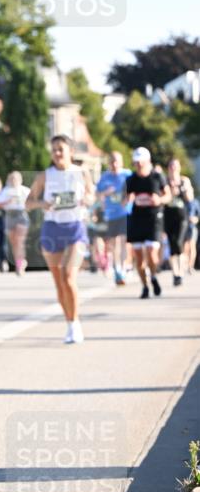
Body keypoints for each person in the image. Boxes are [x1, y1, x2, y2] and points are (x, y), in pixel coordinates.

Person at [26, 135, 95, 343]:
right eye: (54, 149)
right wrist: (42, 204)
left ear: (70, 152)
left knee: (68, 277)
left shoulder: (81, 173)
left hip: (75, 228)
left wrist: (86, 200)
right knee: (59, 283)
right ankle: (69, 323)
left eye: (60, 149)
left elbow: (92, 197)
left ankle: (76, 324)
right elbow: (28, 203)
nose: (57, 153)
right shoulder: (44, 176)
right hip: (52, 228)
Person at [124, 147, 170, 298]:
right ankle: (145, 286)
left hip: (153, 218)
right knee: (138, 258)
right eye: (136, 163)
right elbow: (125, 198)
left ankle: (154, 276)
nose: (138, 165)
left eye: (141, 163)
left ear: (147, 161)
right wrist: (126, 200)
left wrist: (160, 200)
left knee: (151, 252)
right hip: (137, 219)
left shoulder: (157, 177)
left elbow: (168, 195)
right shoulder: (131, 179)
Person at [96, 151, 131, 285]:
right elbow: (97, 194)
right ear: (109, 163)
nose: (115, 164)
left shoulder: (127, 174)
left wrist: (128, 197)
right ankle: (117, 268)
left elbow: (136, 189)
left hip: (124, 213)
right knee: (113, 243)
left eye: (117, 161)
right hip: (111, 214)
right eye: (112, 162)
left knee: (122, 241)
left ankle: (121, 269)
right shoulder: (105, 177)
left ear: (121, 162)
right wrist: (105, 194)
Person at [164, 158, 194, 286]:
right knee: (171, 244)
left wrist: (182, 189)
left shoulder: (184, 180)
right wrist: (170, 192)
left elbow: (190, 198)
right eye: (171, 166)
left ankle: (181, 271)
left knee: (179, 242)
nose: (173, 168)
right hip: (168, 215)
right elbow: (163, 198)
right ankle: (175, 273)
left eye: (175, 166)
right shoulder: (164, 180)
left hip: (181, 216)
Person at [0, 171, 30, 275]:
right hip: (9, 215)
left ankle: (20, 267)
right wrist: (7, 202)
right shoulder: (6, 190)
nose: (14, 181)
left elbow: (33, 200)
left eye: (16, 179)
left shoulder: (24, 190)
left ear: (20, 180)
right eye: (12, 178)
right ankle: (20, 261)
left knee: (19, 241)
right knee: (14, 242)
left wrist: (27, 204)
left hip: (21, 215)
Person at [184, 195, 199, 275]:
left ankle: (191, 266)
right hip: (184, 227)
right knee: (185, 247)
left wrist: (195, 220)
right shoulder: (183, 201)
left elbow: (198, 215)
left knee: (192, 246)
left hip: (192, 227)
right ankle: (185, 266)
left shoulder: (195, 202)